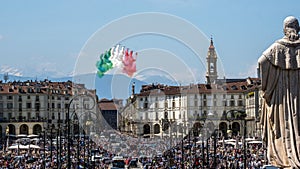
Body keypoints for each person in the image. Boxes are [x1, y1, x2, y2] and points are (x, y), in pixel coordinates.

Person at [258, 16, 300, 169]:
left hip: (282, 94)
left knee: (284, 125)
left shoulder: (277, 47)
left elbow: (261, 62)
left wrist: (267, 87)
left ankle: (285, 156)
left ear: (284, 29)